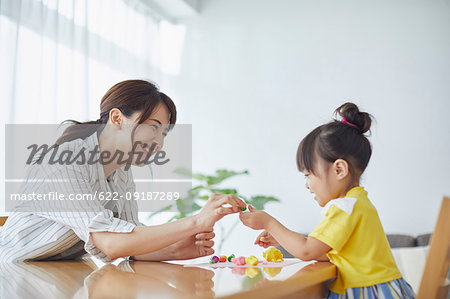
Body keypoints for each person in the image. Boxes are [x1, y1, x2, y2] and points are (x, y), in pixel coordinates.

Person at [0, 79, 246, 262]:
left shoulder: (121, 171)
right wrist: (194, 222)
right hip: (12, 272)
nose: (159, 142)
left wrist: (175, 248)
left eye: (164, 134)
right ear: (117, 118)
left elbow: (128, 237)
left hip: (58, 272)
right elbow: (111, 243)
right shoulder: (63, 161)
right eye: (153, 127)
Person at [239, 103, 415, 298]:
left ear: (339, 170)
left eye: (308, 175)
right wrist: (283, 239)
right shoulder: (358, 203)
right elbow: (326, 250)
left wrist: (269, 223)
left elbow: (308, 251)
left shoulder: (345, 208)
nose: (307, 185)